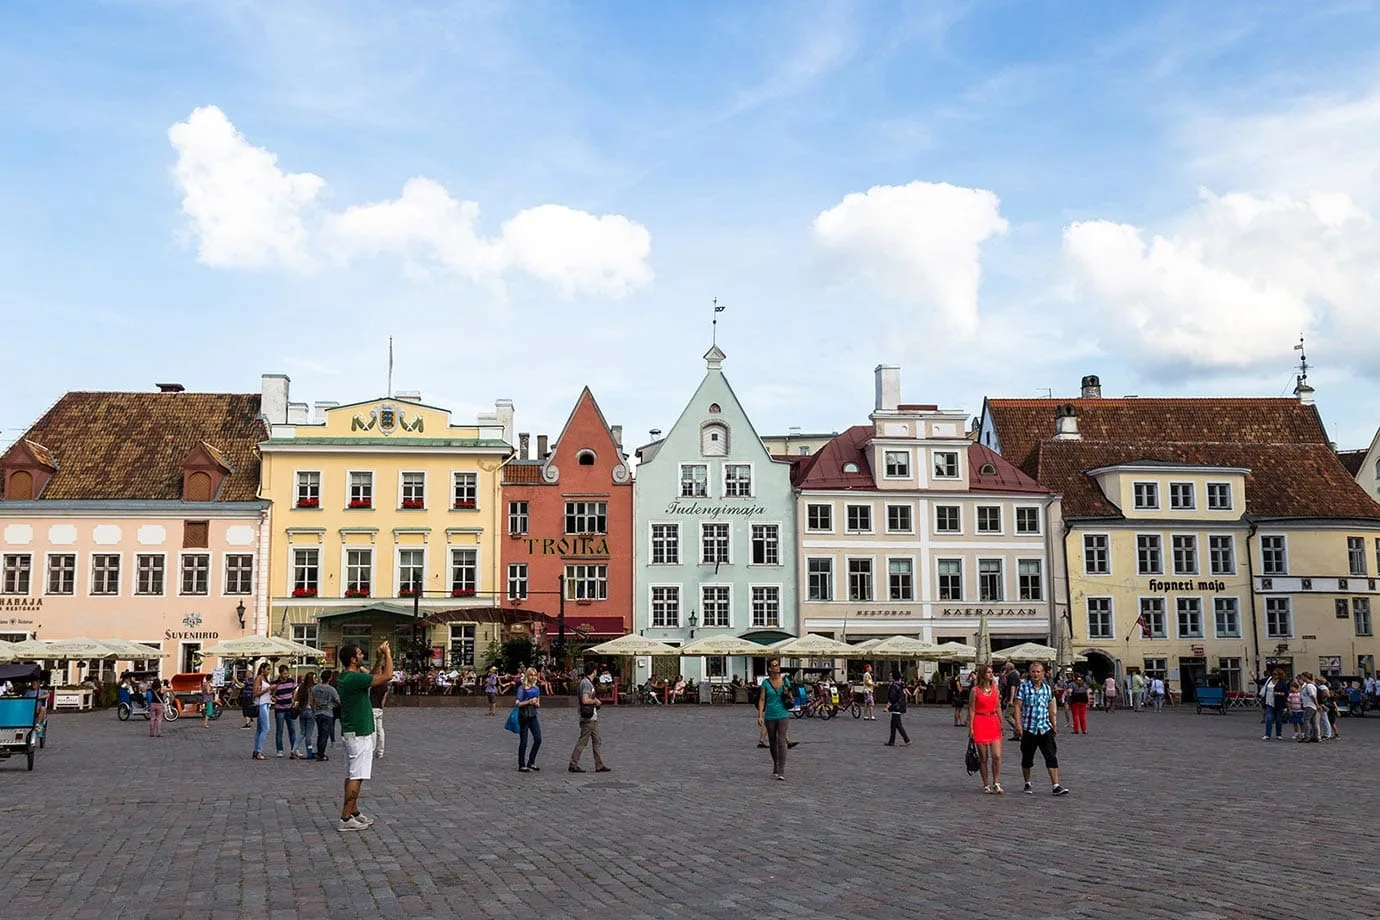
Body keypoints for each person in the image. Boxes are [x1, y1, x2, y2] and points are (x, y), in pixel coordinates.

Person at [336, 641, 393, 831]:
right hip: (359, 734)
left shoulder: (347, 677)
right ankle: (345, 819)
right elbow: (386, 676)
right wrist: (388, 653)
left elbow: (371, 675)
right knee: (356, 775)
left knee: (352, 773)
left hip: (352, 732)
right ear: (353, 659)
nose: (362, 656)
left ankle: (353, 811)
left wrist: (380, 658)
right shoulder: (353, 678)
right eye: (360, 654)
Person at [1013, 662, 1070, 796]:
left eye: (1038, 672)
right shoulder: (1024, 687)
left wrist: (1053, 724)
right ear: (1029, 673)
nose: (1036, 674)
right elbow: (1017, 706)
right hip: (1029, 728)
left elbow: (1051, 707)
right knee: (1027, 758)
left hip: (1045, 727)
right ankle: (1027, 782)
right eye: (1033, 672)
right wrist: (1018, 724)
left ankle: (1056, 785)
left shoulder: (1047, 689)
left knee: (1051, 756)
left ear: (1043, 674)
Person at [569, 661, 610, 773]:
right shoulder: (586, 683)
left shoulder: (586, 682)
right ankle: (573, 763)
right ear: (594, 671)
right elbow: (585, 699)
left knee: (597, 740)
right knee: (583, 741)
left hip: (593, 717)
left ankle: (599, 764)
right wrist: (595, 701)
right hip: (588, 717)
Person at [967, 664, 1004, 793]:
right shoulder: (975, 690)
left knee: (997, 755)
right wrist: (971, 726)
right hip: (980, 721)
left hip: (993, 720)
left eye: (991, 672)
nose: (990, 675)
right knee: (983, 757)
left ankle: (996, 781)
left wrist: (1001, 721)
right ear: (983, 674)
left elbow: (998, 706)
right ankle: (986, 784)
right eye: (988, 672)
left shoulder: (995, 688)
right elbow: (971, 709)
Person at [755, 658, 792, 781]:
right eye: (774, 666)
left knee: (782, 741)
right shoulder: (766, 683)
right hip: (770, 715)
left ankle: (781, 770)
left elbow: (791, 697)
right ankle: (775, 763)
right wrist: (760, 715)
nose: (777, 668)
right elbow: (762, 699)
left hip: (783, 714)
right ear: (770, 669)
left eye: (778, 665)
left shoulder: (785, 681)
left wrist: (788, 693)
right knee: (772, 741)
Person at [515, 667, 543, 772]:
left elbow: (538, 704)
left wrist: (535, 703)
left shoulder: (536, 688)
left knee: (538, 739)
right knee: (524, 741)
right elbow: (517, 703)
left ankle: (531, 761)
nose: (533, 677)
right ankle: (521, 764)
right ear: (527, 675)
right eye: (531, 675)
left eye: (534, 675)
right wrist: (528, 702)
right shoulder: (522, 688)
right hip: (524, 716)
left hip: (533, 715)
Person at [310, 669, 340, 762]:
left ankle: (319, 752)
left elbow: (311, 700)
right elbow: (338, 701)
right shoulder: (331, 689)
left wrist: (314, 709)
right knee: (324, 735)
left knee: (320, 734)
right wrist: (333, 705)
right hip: (328, 713)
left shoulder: (315, 688)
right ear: (330, 678)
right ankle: (321, 754)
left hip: (318, 713)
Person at [271, 665, 297, 758]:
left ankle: (294, 749)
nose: (286, 675)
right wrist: (275, 699)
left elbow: (294, 691)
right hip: (279, 709)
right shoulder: (275, 682)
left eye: (287, 673)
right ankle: (279, 749)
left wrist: (293, 699)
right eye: (284, 673)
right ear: (280, 673)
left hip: (289, 708)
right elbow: (271, 694)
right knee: (279, 730)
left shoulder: (291, 681)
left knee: (292, 730)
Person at [293, 673, 317, 761]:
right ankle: (309, 753)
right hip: (310, 711)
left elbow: (296, 699)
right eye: (315, 678)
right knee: (308, 735)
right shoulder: (312, 688)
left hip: (302, 711)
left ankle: (294, 749)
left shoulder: (301, 687)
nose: (316, 679)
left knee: (302, 732)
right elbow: (313, 702)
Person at [884, 669, 910, 747]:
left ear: (893, 677)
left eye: (890, 676)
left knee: (898, 725)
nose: (889, 677)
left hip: (896, 707)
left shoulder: (893, 686)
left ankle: (907, 740)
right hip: (900, 706)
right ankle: (891, 741)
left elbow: (892, 698)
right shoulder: (900, 685)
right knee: (893, 725)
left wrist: (888, 707)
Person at [251, 662, 272, 760]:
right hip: (261, 704)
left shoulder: (265, 679)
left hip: (266, 703)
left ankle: (256, 750)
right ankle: (259, 750)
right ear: (262, 669)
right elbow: (255, 693)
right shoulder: (258, 678)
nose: (269, 671)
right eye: (267, 669)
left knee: (260, 729)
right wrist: (268, 689)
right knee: (266, 728)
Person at [369, 678, 389, 758]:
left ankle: (372, 749)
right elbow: (384, 698)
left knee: (373, 730)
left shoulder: (374, 683)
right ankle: (380, 751)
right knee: (380, 730)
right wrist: (381, 707)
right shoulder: (385, 685)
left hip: (372, 707)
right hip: (380, 708)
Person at [1001, 663, 1021, 739]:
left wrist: (1011, 699)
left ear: (1009, 668)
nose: (1005, 669)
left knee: (1007, 715)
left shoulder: (1012, 676)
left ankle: (1018, 729)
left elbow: (1013, 687)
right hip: (1015, 698)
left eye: (1006, 667)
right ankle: (1016, 735)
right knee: (1014, 716)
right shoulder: (1014, 675)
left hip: (1014, 699)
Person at [1260, 670, 1282, 740]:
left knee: (1278, 720)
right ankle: (1267, 734)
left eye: (1275, 674)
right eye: (1273, 674)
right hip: (1269, 702)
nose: (1274, 676)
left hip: (1278, 703)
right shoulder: (1269, 680)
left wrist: (1278, 693)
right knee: (1269, 718)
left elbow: (1285, 693)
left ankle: (1278, 734)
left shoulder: (1281, 683)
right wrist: (1253, 677)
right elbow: (1260, 682)